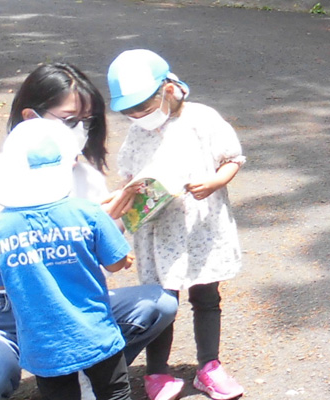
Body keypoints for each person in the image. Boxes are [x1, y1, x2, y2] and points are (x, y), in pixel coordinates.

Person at [0, 63, 177, 400]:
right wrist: (86, 220)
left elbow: (102, 253)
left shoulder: (86, 176)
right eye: (70, 120)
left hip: (70, 302)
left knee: (158, 304)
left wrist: (123, 214)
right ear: (31, 117)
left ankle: (88, 375)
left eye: (87, 121)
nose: (81, 130)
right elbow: (7, 247)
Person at [105, 49, 246, 400]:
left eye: (144, 107)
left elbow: (232, 159)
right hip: (158, 231)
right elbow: (127, 175)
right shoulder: (137, 133)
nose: (139, 117)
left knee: (206, 296)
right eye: (130, 113)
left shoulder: (203, 119)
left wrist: (215, 182)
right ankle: (157, 372)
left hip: (202, 227)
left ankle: (209, 365)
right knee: (161, 303)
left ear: (168, 88)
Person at [0, 120, 136, 400]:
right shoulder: (87, 212)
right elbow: (114, 262)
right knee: (115, 393)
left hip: (44, 344)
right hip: (95, 333)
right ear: (67, 165)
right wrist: (123, 260)